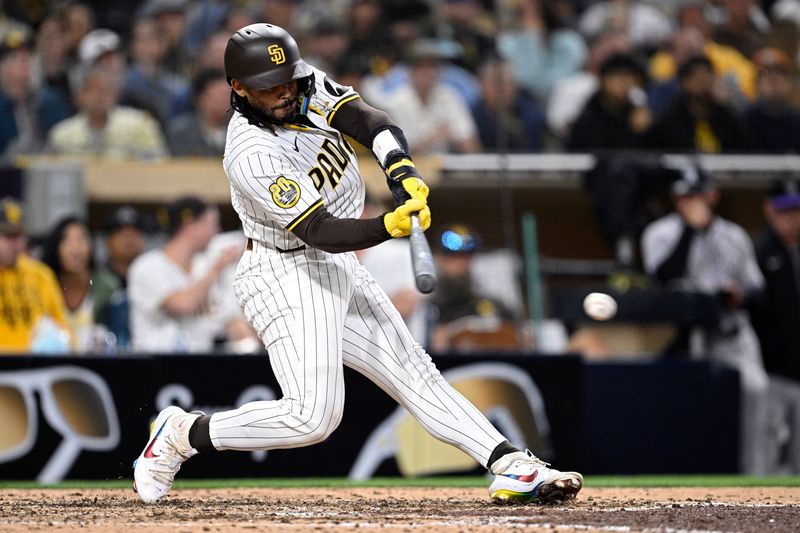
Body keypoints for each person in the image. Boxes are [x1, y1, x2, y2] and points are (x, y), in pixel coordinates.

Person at [133, 23, 582, 506]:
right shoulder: (250, 153)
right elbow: (319, 230)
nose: (285, 94)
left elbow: (373, 123)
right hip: (284, 273)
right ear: (238, 88)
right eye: (270, 87)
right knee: (313, 418)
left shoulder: (304, 87)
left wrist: (401, 172)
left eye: (289, 81)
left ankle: (511, 464)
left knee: (415, 370)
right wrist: (389, 224)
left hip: (332, 266)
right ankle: (182, 432)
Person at [640, 166, 769, 473]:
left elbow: (758, 292)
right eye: (685, 196)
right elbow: (663, 277)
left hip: (730, 334)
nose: (691, 202)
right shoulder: (660, 232)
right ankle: (687, 474)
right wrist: (689, 229)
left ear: (713, 195)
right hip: (678, 338)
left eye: (697, 195)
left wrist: (737, 296)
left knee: (756, 389)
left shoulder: (733, 235)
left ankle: (759, 476)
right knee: (682, 404)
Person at [127, 196, 246, 353]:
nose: (217, 231)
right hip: (158, 365)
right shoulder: (147, 266)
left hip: (201, 363)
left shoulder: (204, 266)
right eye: (212, 224)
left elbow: (228, 319)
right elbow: (183, 304)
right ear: (190, 226)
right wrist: (218, 267)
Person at [48, 65, 168, 159]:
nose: (100, 95)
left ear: (114, 93)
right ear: (78, 97)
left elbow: (158, 167)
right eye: (92, 89)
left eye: (105, 89)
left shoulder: (140, 125)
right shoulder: (62, 135)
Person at [0, 197, 70, 353]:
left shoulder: (41, 275)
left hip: (33, 368)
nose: (15, 243)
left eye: (19, 235)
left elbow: (63, 329)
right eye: (7, 236)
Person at [42, 216, 120, 352]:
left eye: (81, 240)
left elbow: (116, 337)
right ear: (55, 247)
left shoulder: (108, 286)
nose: (75, 249)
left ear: (91, 247)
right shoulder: (43, 282)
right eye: (67, 241)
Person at [752, 178, 800, 382]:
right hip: (772, 370)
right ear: (769, 209)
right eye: (783, 210)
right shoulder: (757, 251)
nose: (790, 217)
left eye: (795, 209)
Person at [648, 55, 746, 153]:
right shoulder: (671, 118)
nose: (703, 83)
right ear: (685, 83)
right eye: (697, 78)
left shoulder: (725, 117)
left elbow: (743, 145)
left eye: (707, 77)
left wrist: (729, 102)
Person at [567, 52, 652, 152]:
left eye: (632, 77)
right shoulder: (590, 115)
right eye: (619, 76)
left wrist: (646, 130)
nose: (625, 84)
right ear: (604, 80)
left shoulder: (638, 112)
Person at [167, 68, 231, 157]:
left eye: (226, 95)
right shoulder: (181, 132)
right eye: (217, 96)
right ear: (200, 98)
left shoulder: (240, 131)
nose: (224, 101)